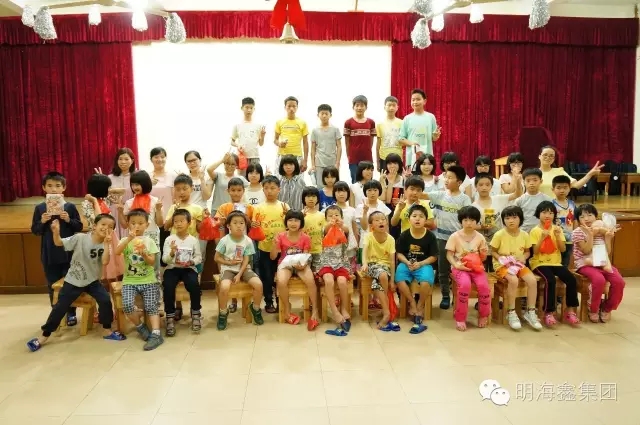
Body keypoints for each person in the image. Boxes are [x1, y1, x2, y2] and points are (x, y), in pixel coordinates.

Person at [27, 215, 125, 352]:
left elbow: (104, 262)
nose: (106, 228)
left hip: (92, 281)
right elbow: (59, 243)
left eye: (110, 227)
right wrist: (56, 232)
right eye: (103, 224)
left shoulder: (106, 244)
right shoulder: (80, 238)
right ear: (94, 226)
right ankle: (44, 335)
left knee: (105, 300)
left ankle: (107, 330)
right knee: (60, 306)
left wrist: (107, 244)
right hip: (73, 280)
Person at [31, 171, 84, 326]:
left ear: (64, 188)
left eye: (57, 186)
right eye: (50, 186)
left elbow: (79, 227)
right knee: (52, 285)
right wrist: (42, 221)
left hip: (68, 253)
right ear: (44, 188)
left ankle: (71, 313)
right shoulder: (40, 208)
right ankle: (56, 313)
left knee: (70, 284)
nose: (54, 189)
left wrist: (68, 219)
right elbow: (35, 230)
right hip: (49, 254)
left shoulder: (70, 207)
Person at [419, 167, 471, 309]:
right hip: (441, 238)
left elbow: (468, 220)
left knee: (459, 269)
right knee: (443, 270)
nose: (446, 180)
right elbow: (421, 195)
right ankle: (445, 296)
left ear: (459, 182)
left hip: (459, 241)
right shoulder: (439, 195)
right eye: (445, 177)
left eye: (450, 177)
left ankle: (458, 296)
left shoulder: (465, 199)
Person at [115, 209, 163, 350]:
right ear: (128, 224)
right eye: (133, 223)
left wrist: (145, 254)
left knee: (151, 306)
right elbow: (117, 252)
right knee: (127, 305)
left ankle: (156, 334)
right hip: (130, 281)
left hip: (149, 280)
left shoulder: (150, 241)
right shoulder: (125, 240)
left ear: (147, 225)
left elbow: (151, 262)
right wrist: (128, 239)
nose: (137, 226)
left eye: (141, 223)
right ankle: (140, 326)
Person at [490, 205, 542, 331]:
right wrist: (501, 259)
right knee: (513, 280)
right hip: (502, 265)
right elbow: (493, 251)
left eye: (514, 217)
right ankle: (511, 312)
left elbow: (527, 252)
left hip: (518, 264)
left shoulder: (524, 235)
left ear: (520, 219)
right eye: (507, 218)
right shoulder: (499, 234)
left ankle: (530, 312)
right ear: (503, 220)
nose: (511, 221)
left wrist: (524, 257)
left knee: (532, 281)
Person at [529, 201, 580, 327]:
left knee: (571, 279)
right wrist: (542, 237)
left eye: (551, 213)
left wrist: (557, 236)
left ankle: (570, 311)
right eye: (544, 212)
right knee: (550, 280)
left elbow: (563, 249)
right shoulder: (535, 231)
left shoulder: (557, 229)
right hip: (539, 263)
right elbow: (534, 252)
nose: (547, 215)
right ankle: (548, 312)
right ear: (538, 214)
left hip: (556, 263)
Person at [572, 204, 625, 323]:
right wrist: (591, 235)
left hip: (602, 262)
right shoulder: (577, 232)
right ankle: (593, 309)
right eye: (582, 216)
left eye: (590, 215)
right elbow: (586, 251)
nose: (586, 219)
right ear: (578, 220)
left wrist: (608, 238)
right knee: (599, 279)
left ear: (596, 217)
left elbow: (608, 251)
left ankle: (607, 308)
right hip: (585, 264)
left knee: (619, 281)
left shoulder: (602, 230)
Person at [214, 211, 264, 330]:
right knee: (224, 287)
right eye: (235, 223)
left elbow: (247, 259)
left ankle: (256, 309)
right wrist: (229, 263)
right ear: (228, 226)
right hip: (228, 268)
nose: (239, 226)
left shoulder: (247, 240)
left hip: (244, 268)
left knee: (258, 284)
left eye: (242, 223)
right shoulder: (224, 240)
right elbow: (216, 258)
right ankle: (223, 313)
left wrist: (240, 274)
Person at [164, 174, 204, 320]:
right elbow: (166, 226)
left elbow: (200, 230)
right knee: (173, 282)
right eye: (178, 189)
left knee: (193, 281)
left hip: (191, 249)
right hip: (175, 248)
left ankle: (195, 309)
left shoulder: (197, 208)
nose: (181, 192)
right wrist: (175, 212)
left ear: (191, 188)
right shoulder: (173, 207)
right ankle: (178, 307)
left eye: (185, 188)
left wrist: (204, 219)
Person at [272, 210, 319, 330]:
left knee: (311, 281)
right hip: (285, 264)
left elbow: (306, 255)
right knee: (281, 281)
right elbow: (273, 257)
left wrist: (303, 265)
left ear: (301, 222)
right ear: (286, 222)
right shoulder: (280, 236)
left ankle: (315, 309)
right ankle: (287, 308)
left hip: (300, 264)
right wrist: (274, 245)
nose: (293, 223)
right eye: (290, 220)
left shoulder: (306, 237)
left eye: (296, 220)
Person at [446, 206, 491, 331]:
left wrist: (483, 253)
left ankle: (483, 315)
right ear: (461, 221)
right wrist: (456, 265)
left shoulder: (480, 237)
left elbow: (482, 258)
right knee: (465, 286)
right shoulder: (454, 236)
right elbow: (449, 255)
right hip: (460, 267)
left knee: (484, 287)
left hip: (476, 268)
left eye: (472, 220)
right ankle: (460, 318)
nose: (469, 223)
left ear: (477, 221)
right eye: (465, 220)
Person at [395, 204, 437, 334]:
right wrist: (407, 262)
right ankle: (412, 302)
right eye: (414, 216)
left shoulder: (430, 236)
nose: (417, 219)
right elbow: (399, 254)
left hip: (424, 264)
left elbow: (434, 257)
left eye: (421, 216)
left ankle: (420, 306)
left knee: (425, 282)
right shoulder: (404, 235)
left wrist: (421, 263)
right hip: (407, 263)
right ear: (409, 219)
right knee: (399, 278)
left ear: (425, 220)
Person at [162, 209, 203, 336]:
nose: (178, 224)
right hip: (172, 268)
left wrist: (191, 262)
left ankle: (195, 313)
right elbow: (165, 260)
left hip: (188, 268)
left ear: (189, 223)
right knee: (168, 286)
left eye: (181, 221)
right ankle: (170, 317)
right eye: (175, 221)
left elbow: (199, 257)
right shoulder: (169, 239)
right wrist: (172, 253)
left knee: (194, 284)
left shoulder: (193, 240)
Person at [472, 172, 522, 270]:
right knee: (483, 270)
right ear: (476, 187)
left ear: (491, 186)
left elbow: (517, 194)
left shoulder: (499, 199)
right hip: (482, 245)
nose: (484, 187)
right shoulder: (473, 206)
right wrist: (481, 226)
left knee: (499, 270)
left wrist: (518, 181)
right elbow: (470, 225)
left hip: (500, 244)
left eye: (487, 185)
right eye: (481, 185)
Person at [254, 175, 289, 313]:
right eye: (266, 188)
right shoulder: (258, 208)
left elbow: (291, 225)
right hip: (265, 248)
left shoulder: (284, 206)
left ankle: (281, 301)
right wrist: (254, 225)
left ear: (279, 189)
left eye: (273, 188)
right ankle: (269, 301)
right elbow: (255, 228)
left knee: (281, 277)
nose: (269, 191)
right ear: (263, 189)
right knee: (267, 277)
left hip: (283, 250)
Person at [82, 173, 124, 284]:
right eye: (107, 187)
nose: (109, 190)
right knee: (99, 262)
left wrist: (103, 179)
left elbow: (121, 192)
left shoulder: (105, 199)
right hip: (96, 237)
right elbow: (99, 219)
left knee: (111, 262)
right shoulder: (87, 203)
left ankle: (111, 288)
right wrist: (95, 201)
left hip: (110, 236)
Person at [120, 171, 164, 274]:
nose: (135, 187)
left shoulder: (155, 201)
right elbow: (125, 225)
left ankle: (155, 283)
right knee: (136, 265)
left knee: (154, 267)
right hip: (134, 238)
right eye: (133, 184)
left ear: (145, 184)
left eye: (137, 184)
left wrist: (158, 209)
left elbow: (160, 223)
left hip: (152, 237)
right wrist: (120, 212)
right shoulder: (129, 203)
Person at [319, 205, 352, 336]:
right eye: (330, 215)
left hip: (341, 263)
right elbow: (326, 229)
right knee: (328, 280)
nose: (334, 217)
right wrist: (330, 224)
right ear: (326, 218)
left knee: (342, 282)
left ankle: (344, 308)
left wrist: (340, 225)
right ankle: (334, 310)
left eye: (337, 215)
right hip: (326, 263)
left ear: (342, 217)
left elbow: (346, 230)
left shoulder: (344, 228)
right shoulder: (324, 228)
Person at [361, 211, 396, 331]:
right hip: (371, 265)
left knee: (378, 284)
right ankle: (386, 305)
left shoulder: (391, 239)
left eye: (383, 219)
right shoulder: (368, 236)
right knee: (382, 275)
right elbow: (364, 251)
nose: (381, 221)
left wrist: (392, 281)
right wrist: (364, 263)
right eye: (377, 220)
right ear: (371, 225)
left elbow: (392, 261)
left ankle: (386, 313)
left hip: (385, 267)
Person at [537, 145, 603, 197]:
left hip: (556, 207)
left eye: (551, 156)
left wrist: (590, 174)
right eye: (545, 155)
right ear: (539, 156)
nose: (548, 157)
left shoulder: (559, 171)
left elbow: (577, 185)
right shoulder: (534, 173)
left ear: (554, 159)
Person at [399, 88, 440, 168]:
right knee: (412, 176)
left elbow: (434, 138)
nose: (415, 102)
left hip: (427, 158)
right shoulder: (407, 118)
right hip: (412, 157)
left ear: (424, 101)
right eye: (413, 100)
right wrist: (412, 143)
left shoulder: (431, 117)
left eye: (418, 99)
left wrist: (435, 136)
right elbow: (401, 139)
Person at [344, 95, 376, 183]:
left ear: (366, 107)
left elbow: (371, 140)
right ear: (353, 107)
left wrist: (367, 150)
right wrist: (348, 156)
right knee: (355, 181)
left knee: (368, 182)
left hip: (367, 157)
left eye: (362, 105)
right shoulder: (348, 122)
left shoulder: (371, 122)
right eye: (357, 105)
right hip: (354, 157)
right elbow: (347, 142)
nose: (359, 108)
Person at [207, 152, 249, 219]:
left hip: (233, 211)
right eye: (227, 163)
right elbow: (209, 169)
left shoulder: (241, 179)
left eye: (233, 164)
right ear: (224, 164)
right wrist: (222, 160)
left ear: (236, 166)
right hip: (217, 209)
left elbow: (251, 188)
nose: (229, 166)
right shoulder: (218, 176)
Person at [106, 147, 136, 239]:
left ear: (132, 161)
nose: (123, 162)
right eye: (120, 159)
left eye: (126, 159)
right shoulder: (110, 177)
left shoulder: (136, 176)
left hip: (129, 211)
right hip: (113, 210)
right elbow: (106, 196)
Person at [310, 104, 342, 189]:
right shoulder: (315, 130)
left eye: (326, 114)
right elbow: (313, 149)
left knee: (334, 186)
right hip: (319, 162)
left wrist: (337, 162)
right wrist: (313, 164)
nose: (324, 116)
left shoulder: (335, 129)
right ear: (318, 115)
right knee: (320, 186)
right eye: (322, 113)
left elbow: (339, 147)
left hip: (332, 162)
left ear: (330, 115)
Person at [274, 96, 309, 172]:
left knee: (297, 178)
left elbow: (305, 142)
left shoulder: (302, 123)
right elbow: (275, 140)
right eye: (289, 106)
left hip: (297, 156)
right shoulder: (279, 122)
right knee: (279, 178)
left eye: (294, 106)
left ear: (297, 107)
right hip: (282, 156)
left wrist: (305, 161)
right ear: (285, 107)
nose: (291, 108)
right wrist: (279, 144)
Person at [514, 168, 553, 233]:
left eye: (535, 180)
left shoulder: (548, 199)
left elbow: (551, 218)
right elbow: (515, 218)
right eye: (528, 180)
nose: (531, 183)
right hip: (524, 233)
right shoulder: (519, 201)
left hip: (542, 233)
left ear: (541, 181)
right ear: (523, 182)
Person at [231, 97, 266, 166]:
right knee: (241, 174)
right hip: (241, 157)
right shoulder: (237, 125)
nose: (249, 110)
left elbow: (261, 144)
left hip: (255, 157)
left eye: (251, 108)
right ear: (242, 108)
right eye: (246, 107)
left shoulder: (258, 125)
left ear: (254, 109)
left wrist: (262, 136)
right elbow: (232, 142)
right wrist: (238, 145)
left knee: (255, 173)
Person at [551, 175, 576, 267]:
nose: (562, 190)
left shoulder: (572, 204)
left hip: (569, 238)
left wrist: (575, 233)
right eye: (558, 188)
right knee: (556, 260)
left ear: (569, 188)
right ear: (553, 189)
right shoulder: (551, 204)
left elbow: (575, 220)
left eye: (565, 188)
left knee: (566, 260)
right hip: (557, 238)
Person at [379, 153, 405, 239]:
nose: (392, 166)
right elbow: (387, 201)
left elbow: (407, 197)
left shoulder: (403, 179)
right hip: (388, 211)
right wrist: (390, 182)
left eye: (395, 163)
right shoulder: (383, 178)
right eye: (389, 163)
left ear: (399, 165)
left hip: (401, 210)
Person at [334, 181, 359, 269]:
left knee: (350, 268)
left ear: (348, 193)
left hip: (350, 244)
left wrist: (356, 243)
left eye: (344, 191)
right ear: (334, 193)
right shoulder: (330, 210)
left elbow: (355, 228)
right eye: (338, 191)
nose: (341, 194)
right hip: (335, 245)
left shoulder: (352, 210)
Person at [301, 187, 326, 274]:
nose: (311, 199)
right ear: (303, 198)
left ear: (318, 198)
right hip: (304, 251)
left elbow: (325, 233)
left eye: (313, 196)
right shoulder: (300, 215)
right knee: (305, 273)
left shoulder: (322, 215)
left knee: (317, 273)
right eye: (308, 196)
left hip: (319, 250)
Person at [376, 96, 403, 172]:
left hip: (398, 157)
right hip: (384, 157)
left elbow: (404, 141)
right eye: (389, 105)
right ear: (384, 107)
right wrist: (377, 161)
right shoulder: (380, 124)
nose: (391, 108)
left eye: (394, 105)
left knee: (398, 178)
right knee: (384, 178)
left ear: (397, 107)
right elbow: (378, 144)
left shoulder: (402, 123)